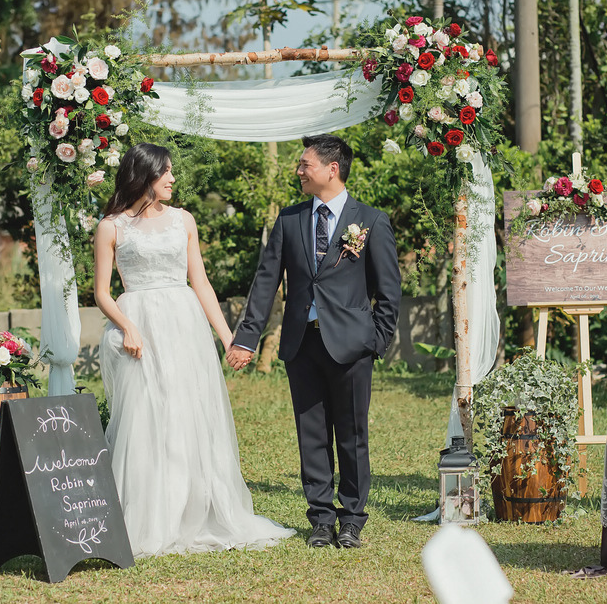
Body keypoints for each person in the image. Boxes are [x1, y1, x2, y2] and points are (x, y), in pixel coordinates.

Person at [94, 143, 295, 558]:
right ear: (144, 175)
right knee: (147, 417)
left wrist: (228, 337)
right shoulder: (111, 226)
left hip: (184, 324)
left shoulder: (184, 220)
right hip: (140, 325)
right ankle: (150, 516)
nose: (172, 178)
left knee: (188, 413)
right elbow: (101, 293)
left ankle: (194, 510)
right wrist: (127, 327)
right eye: (164, 172)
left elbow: (200, 282)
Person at [227, 134, 402, 549]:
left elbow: (389, 292)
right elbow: (266, 282)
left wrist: (375, 341)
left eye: (305, 164)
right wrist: (246, 338)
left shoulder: (371, 221)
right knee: (312, 435)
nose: (299, 171)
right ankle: (321, 518)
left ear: (332, 169)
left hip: (352, 347)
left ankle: (353, 518)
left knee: (352, 434)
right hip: (301, 345)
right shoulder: (289, 220)